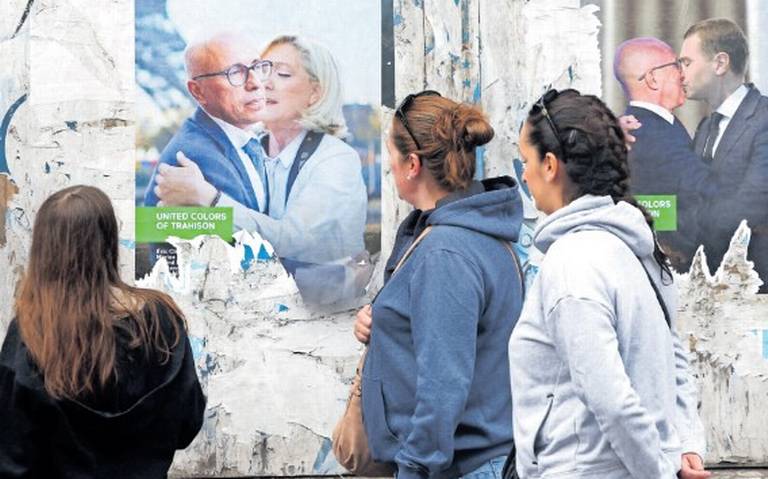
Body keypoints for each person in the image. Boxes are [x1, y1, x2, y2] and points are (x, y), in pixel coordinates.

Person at [509, 89, 709, 479]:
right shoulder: (636, 246)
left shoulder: (574, 262)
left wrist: (660, 470)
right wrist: (683, 444)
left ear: (550, 165)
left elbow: (611, 400)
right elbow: (673, 355)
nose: (525, 177)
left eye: (525, 162)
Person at [353, 91, 525, 479]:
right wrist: (380, 324)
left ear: (412, 164)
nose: (389, 167)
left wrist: (413, 469)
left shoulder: (445, 252)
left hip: (455, 468)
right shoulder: (457, 233)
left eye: (392, 157)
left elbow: (443, 383)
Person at [0, 185, 206, 478]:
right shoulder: (160, 320)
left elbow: (11, 452)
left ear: (45, 250)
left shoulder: (32, 332)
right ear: (108, 240)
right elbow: (187, 422)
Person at [155, 35, 367, 267]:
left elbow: (294, 243)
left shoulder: (336, 160)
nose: (261, 83)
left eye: (283, 74)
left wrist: (210, 199)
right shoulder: (245, 150)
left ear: (314, 93)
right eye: (261, 69)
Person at [679, 18, 768, 290]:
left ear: (720, 63)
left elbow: (751, 205)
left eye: (686, 63)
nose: (680, 73)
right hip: (713, 283)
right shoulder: (706, 127)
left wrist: (678, 231)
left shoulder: (765, 118)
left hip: (756, 289)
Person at [613, 37, 716, 271]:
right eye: (677, 65)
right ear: (652, 78)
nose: (683, 74)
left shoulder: (649, 127)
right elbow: (707, 195)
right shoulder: (650, 134)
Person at [145, 32, 271, 213]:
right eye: (235, 72)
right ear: (198, 91)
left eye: (257, 66)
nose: (256, 82)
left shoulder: (242, 140)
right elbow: (253, 240)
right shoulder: (199, 158)